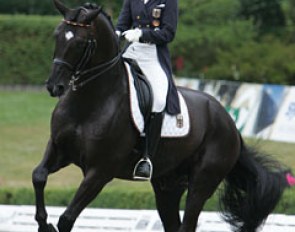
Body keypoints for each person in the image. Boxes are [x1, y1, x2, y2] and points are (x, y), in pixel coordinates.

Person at [116, 0, 181, 180]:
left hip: (153, 56)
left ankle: (146, 158)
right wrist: (115, 33)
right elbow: (121, 24)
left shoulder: (168, 1)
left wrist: (141, 34)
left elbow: (168, 33)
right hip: (131, 52)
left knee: (159, 99)